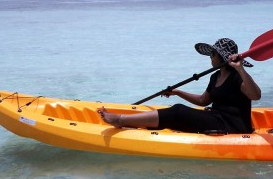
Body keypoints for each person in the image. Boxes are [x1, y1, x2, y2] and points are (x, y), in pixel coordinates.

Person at [98, 38, 261, 134]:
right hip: (216, 118)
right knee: (177, 113)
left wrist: (240, 69)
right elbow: (204, 100)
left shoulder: (236, 77)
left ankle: (120, 120)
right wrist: (177, 92)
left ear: (222, 57)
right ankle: (133, 124)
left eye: (213, 54)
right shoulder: (215, 76)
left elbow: (255, 95)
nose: (210, 58)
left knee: (178, 111)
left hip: (233, 126)